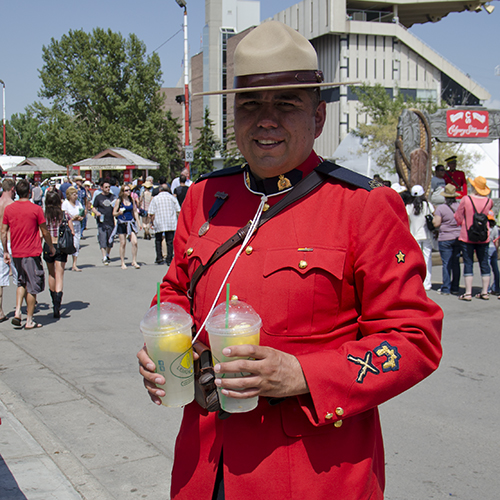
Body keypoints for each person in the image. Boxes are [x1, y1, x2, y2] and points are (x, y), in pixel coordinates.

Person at [137, 21, 442, 500]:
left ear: (318, 118)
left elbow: (414, 339)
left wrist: (302, 375)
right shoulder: (204, 198)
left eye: (287, 103)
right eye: (251, 104)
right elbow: (175, 291)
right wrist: (163, 350)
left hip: (312, 477)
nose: (266, 118)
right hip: (204, 468)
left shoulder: (362, 206)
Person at [1, 179, 55, 329]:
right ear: (30, 192)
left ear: (16, 192)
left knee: (21, 282)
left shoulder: (9, 209)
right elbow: (44, 231)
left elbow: (3, 232)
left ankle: (18, 311)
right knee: (32, 286)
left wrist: (6, 250)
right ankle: (29, 320)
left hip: (16, 251)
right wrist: (51, 246)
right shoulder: (36, 209)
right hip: (31, 252)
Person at [454, 176, 493, 301]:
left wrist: (461, 222)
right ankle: (485, 292)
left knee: (468, 262)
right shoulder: (489, 201)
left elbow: (458, 216)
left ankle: (468, 292)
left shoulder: (466, 199)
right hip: (483, 236)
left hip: (467, 235)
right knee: (484, 263)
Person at [44, 191, 74, 318]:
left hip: (48, 245)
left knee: (51, 274)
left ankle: (53, 300)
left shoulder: (44, 215)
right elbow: (71, 231)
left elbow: (41, 232)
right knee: (60, 274)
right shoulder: (64, 214)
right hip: (61, 246)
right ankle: (57, 304)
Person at [432, 184, 461, 295]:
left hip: (445, 237)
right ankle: (455, 287)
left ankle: (446, 288)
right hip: (458, 236)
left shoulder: (441, 208)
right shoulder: (459, 206)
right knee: (456, 262)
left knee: (446, 263)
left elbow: (437, 223)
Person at [406, 184, 434, 291]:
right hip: (426, 234)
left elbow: (408, 221)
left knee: (415, 259)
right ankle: (427, 283)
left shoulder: (409, 207)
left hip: (414, 235)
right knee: (427, 258)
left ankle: (416, 281)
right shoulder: (427, 205)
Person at [147, 184, 180, 265]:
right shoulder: (172, 198)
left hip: (159, 221)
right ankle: (169, 258)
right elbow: (178, 210)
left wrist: (151, 221)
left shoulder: (156, 198)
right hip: (170, 222)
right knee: (170, 241)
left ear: (160, 190)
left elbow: (151, 212)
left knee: (158, 240)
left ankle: (159, 257)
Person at [112, 184, 142, 269]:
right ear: (122, 192)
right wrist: (119, 213)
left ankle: (134, 261)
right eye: (126, 190)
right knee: (123, 243)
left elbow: (135, 211)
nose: (128, 192)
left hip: (130, 222)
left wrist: (138, 222)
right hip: (122, 222)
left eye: (129, 190)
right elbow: (114, 213)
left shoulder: (131, 199)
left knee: (135, 242)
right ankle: (122, 262)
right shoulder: (119, 201)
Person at [0, 178, 17, 322]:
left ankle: (0, 310)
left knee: (0, 278)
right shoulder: (11, 205)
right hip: (10, 241)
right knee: (20, 275)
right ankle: (19, 309)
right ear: (12, 189)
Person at [91, 179, 116, 265]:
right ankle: (104, 256)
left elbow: (116, 206)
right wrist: (96, 213)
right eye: (106, 187)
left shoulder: (112, 197)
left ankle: (108, 254)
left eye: (109, 187)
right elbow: (93, 207)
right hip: (101, 221)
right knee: (102, 238)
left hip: (111, 220)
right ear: (101, 188)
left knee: (110, 240)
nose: (108, 189)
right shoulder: (98, 197)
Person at [62, 187, 84, 272]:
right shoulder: (65, 203)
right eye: (74, 194)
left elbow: (82, 212)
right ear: (69, 195)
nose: (76, 196)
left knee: (76, 244)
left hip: (77, 225)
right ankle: (63, 264)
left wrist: (81, 217)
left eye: (76, 194)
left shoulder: (78, 203)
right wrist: (72, 218)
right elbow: (64, 215)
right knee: (66, 244)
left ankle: (74, 264)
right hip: (68, 226)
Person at [487, 211, 499, 296]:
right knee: (495, 270)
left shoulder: (485, 227)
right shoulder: (495, 228)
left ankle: (486, 289)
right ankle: (496, 287)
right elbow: (497, 241)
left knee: (487, 270)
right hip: (493, 248)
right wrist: (497, 249)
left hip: (486, 248)